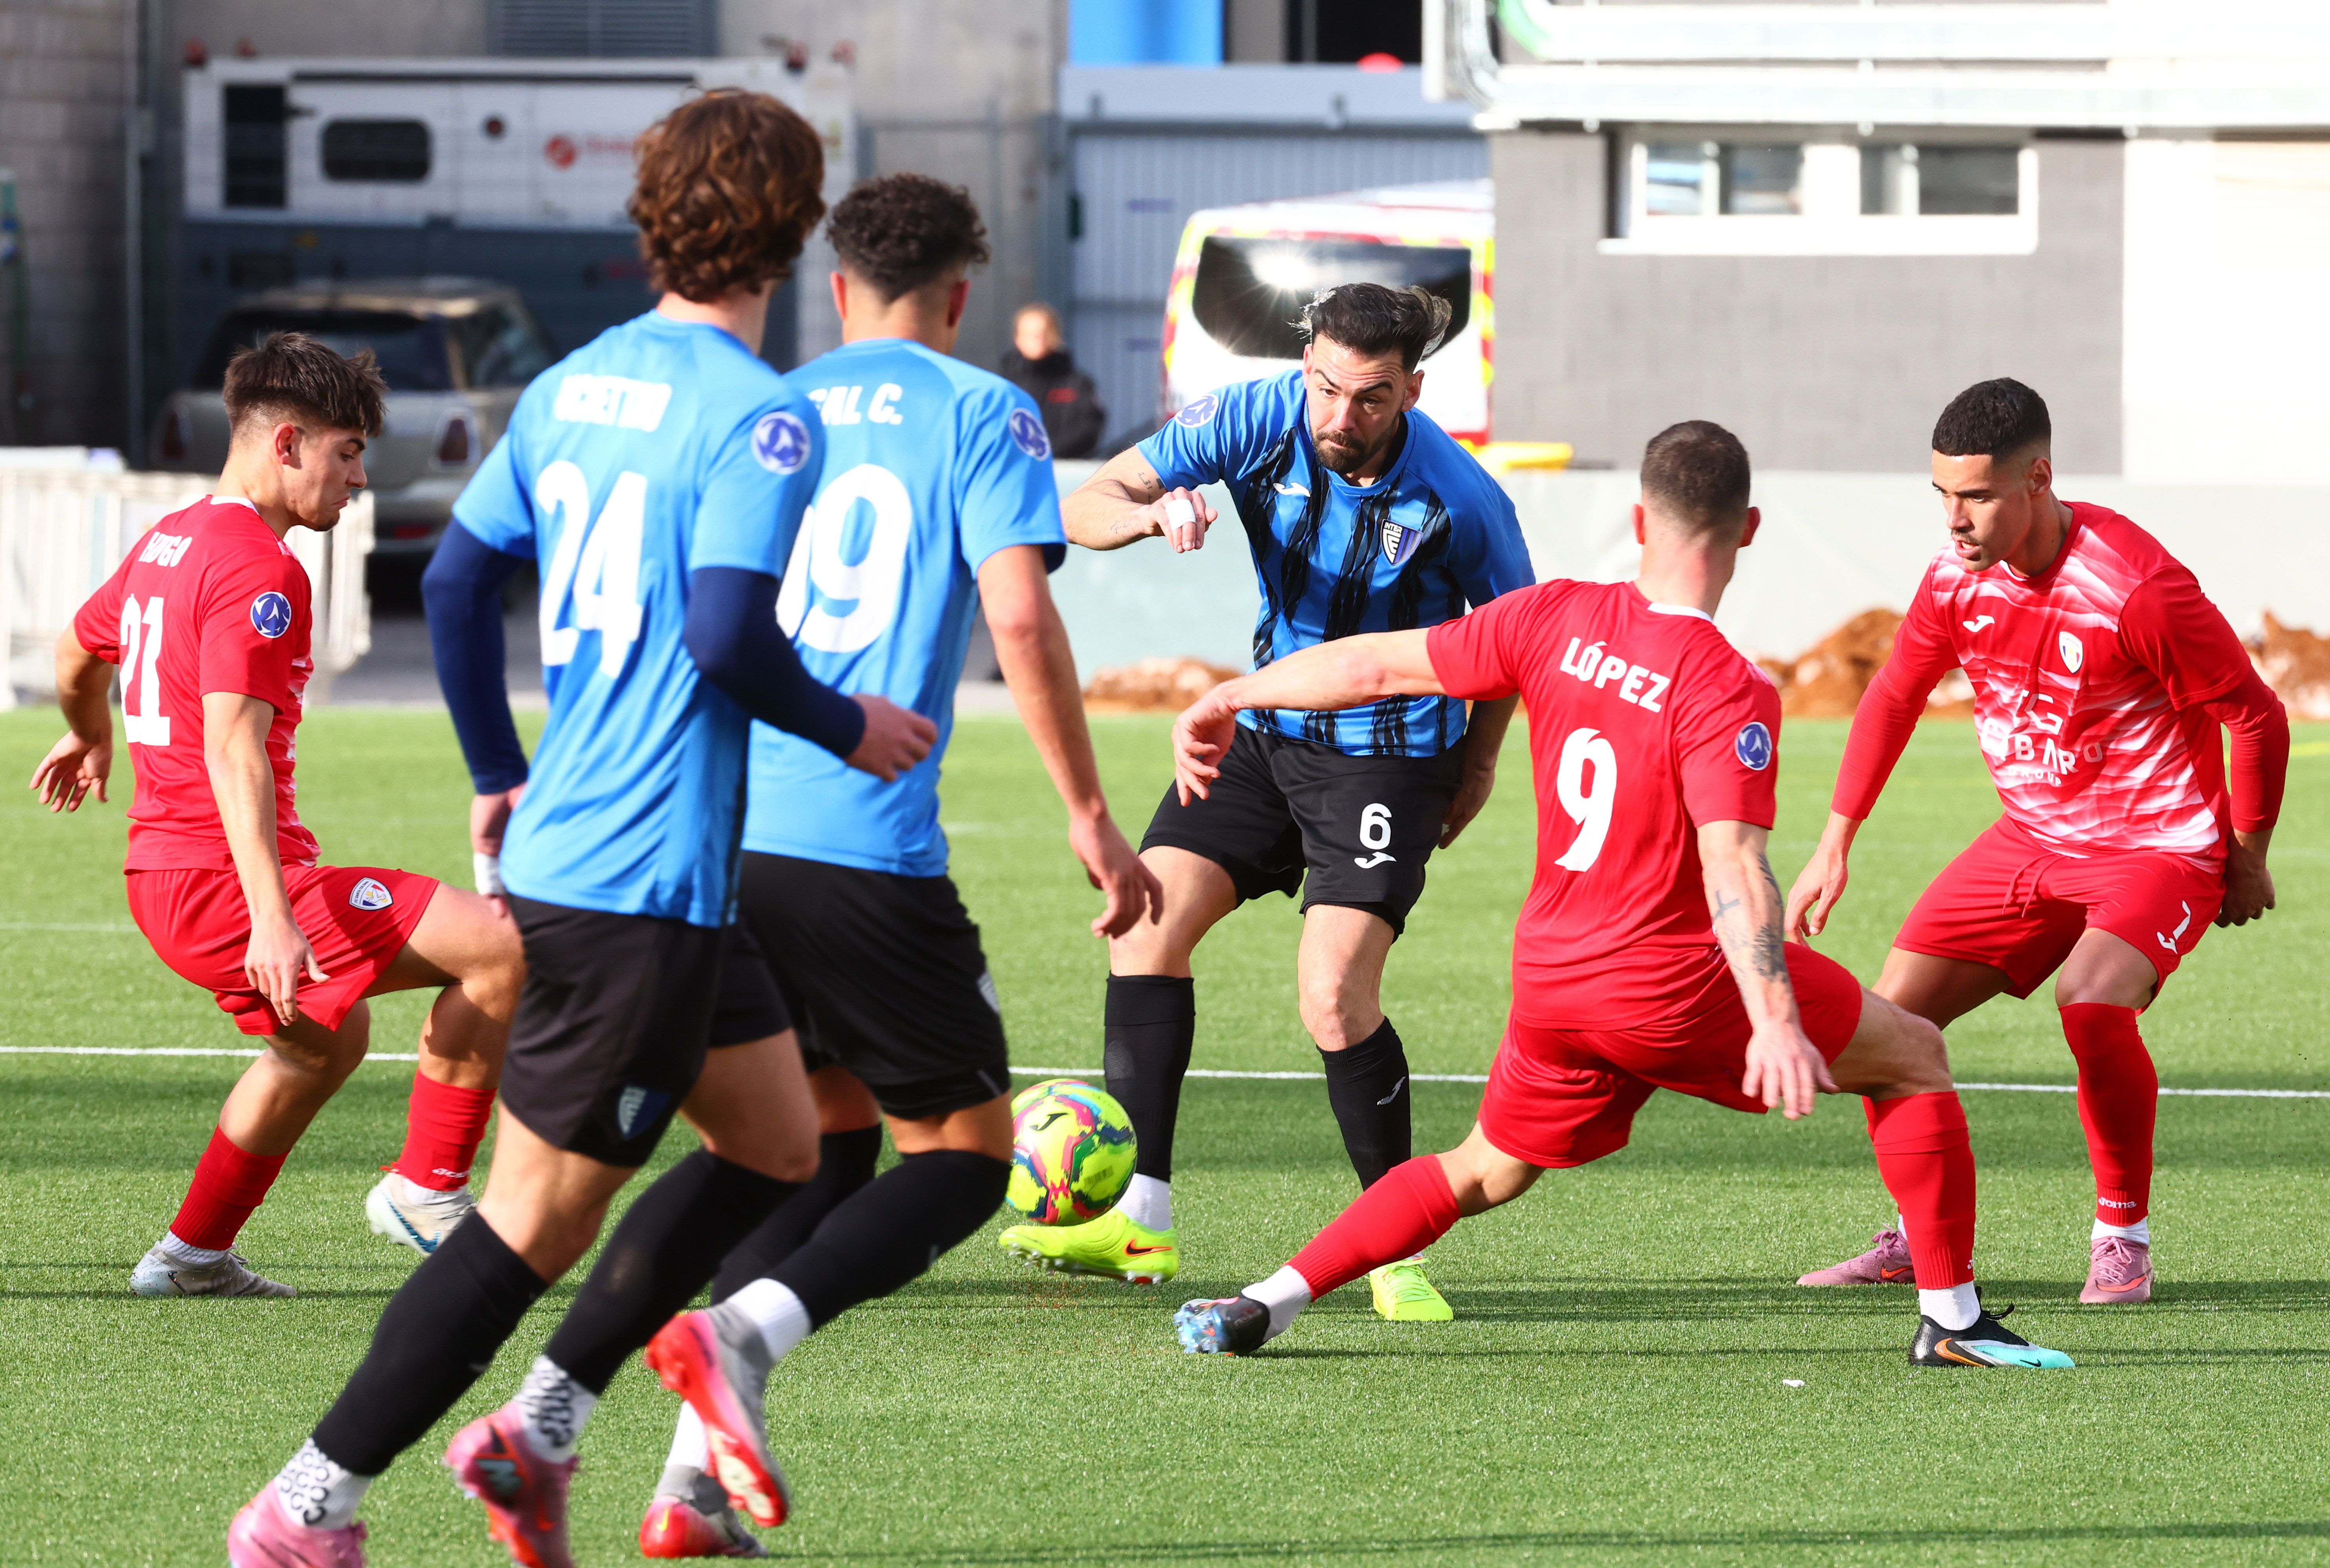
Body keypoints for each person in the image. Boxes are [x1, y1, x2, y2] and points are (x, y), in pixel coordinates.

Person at [227, 89, 935, 1568]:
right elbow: (730, 633)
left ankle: (539, 1429)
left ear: (650, 220)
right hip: (639, 881)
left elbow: (453, 582)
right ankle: (309, 1502)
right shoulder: (765, 415)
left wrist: (498, 764)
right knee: (529, 1223)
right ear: (798, 232)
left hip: (607, 853)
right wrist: (848, 723)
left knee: (781, 1142)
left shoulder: (570, 385)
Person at [1165, 421, 2073, 1372]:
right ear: (1749, 528)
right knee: (1916, 1057)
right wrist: (1771, 1016)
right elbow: (1732, 866)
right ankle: (1953, 1320)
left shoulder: (1552, 616)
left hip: (1554, 980)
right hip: (1672, 979)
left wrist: (1236, 695)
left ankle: (1267, 1300)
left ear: (1639, 519)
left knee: (1483, 1168)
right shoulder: (1728, 685)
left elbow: (1370, 665)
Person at [634, 172, 1162, 1555]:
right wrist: (1091, 811)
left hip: (725, 833)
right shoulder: (986, 408)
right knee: (970, 1156)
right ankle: (740, 1332)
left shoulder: (772, 405)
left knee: (819, 1140)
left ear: (837, 287)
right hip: (863, 850)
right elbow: (1022, 623)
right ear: (965, 295)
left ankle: (693, 1484)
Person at [998, 282, 1535, 1322]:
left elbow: (1514, 645)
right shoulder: (1256, 418)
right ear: (1305, 371)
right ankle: (1140, 1213)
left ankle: (1393, 1241)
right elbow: (1083, 503)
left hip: (1388, 758)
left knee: (1333, 993)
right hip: (1264, 731)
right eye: (1325, 387)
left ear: (1413, 390)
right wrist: (1154, 514)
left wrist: (1474, 769)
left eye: (1371, 398)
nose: (1339, 417)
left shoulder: (1464, 498)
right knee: (1147, 922)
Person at [30, 332, 519, 1298]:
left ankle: (190, 1254)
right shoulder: (263, 570)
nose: (359, 477)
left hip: (163, 876)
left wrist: (90, 734)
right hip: (224, 882)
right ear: (287, 443)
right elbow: (231, 746)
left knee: (318, 1043)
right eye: (346, 452)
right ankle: (427, 1186)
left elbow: (78, 651)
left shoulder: (166, 541)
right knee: (501, 946)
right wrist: (271, 913)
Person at [1786, 379, 2290, 1305]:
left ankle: (2122, 1239)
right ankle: (1913, 1240)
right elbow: (1895, 694)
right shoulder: (1951, 577)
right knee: (1887, 1025)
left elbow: (2254, 717)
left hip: (2157, 847)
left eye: (1974, 495)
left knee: (2091, 1002)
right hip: (2029, 839)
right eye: (1941, 495)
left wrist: (2245, 855)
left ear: (2038, 478)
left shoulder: (2136, 587)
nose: (1954, 519)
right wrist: (1835, 840)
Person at [999, 301, 1105, 458]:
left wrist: (1048, 456)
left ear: (1056, 335)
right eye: (1031, 335)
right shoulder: (1004, 386)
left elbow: (1089, 429)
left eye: (1044, 333)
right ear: (1018, 338)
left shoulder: (1077, 384)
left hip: (1065, 472)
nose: (1038, 340)